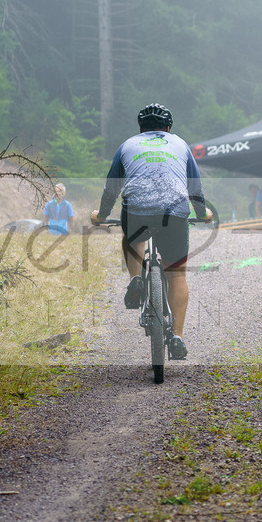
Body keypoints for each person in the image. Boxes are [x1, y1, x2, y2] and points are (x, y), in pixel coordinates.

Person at [90, 103, 211, 361]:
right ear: (168, 127)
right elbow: (195, 188)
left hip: (137, 210)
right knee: (176, 275)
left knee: (133, 239)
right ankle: (177, 335)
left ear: (140, 128)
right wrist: (202, 214)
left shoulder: (127, 145)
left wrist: (100, 216)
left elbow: (111, 189)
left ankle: (136, 278)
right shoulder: (180, 144)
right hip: (174, 212)